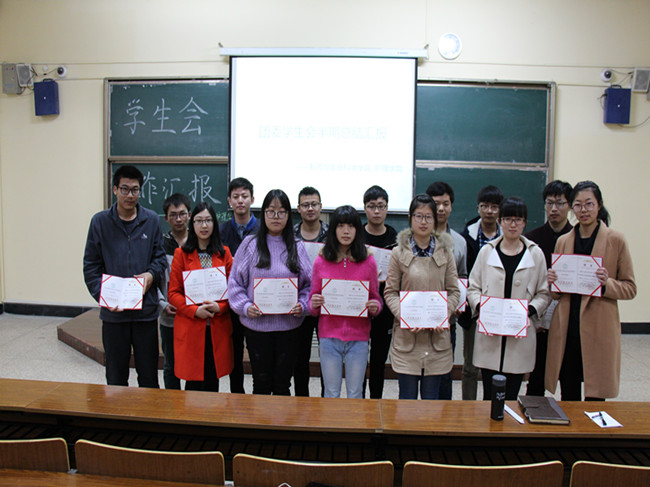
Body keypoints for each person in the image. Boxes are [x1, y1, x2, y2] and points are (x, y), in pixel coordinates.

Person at [546, 181, 636, 401]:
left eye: (589, 204)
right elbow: (556, 294)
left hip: (598, 326)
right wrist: (553, 283)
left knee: (596, 394)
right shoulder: (563, 241)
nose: (583, 210)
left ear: (599, 205)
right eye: (578, 205)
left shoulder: (616, 240)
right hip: (568, 326)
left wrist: (607, 284)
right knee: (569, 392)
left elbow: (630, 288)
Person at [83, 164, 167, 388]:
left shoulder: (151, 220)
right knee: (116, 378)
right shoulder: (100, 222)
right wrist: (103, 296)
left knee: (148, 377)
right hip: (114, 315)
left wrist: (150, 275)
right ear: (115, 190)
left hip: (145, 313)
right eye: (125, 189)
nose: (130, 195)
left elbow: (159, 259)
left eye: (135, 190)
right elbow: (91, 266)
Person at [228, 189, 312, 395]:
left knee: (283, 384)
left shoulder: (297, 246)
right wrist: (246, 307)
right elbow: (235, 283)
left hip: (289, 327)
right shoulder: (249, 244)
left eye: (281, 212)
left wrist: (303, 305)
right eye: (271, 211)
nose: (276, 217)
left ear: (288, 215)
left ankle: (282, 418)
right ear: (263, 214)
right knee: (261, 383)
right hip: (257, 327)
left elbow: (309, 286)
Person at [467, 197, 550, 401]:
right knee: (489, 396)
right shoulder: (487, 251)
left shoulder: (535, 254)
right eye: (508, 219)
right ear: (500, 221)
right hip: (490, 333)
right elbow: (473, 288)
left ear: (525, 222)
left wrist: (529, 311)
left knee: (511, 396)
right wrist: (482, 307)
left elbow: (544, 293)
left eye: (518, 219)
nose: (513, 224)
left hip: (519, 334)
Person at [384, 194, 460, 400]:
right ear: (410, 218)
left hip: (437, 340)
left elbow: (454, 291)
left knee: (431, 400)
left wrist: (443, 315)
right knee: (407, 399)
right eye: (418, 216)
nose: (423, 222)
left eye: (428, 217)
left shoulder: (446, 252)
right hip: (407, 338)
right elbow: (390, 292)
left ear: (435, 220)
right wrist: (405, 316)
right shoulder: (398, 253)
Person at [309, 206, 382, 399]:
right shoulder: (321, 260)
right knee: (331, 392)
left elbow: (375, 298)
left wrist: (375, 307)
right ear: (333, 229)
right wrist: (314, 303)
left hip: (358, 338)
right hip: (328, 337)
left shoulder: (368, 261)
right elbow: (312, 301)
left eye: (351, 226)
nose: (346, 231)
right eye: (340, 226)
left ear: (358, 230)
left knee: (355, 393)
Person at [168, 203, 234, 391]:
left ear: (214, 223)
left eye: (208, 220)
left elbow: (233, 290)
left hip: (217, 325)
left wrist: (220, 307)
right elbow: (173, 293)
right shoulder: (181, 254)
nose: (204, 226)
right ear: (192, 223)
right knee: (193, 381)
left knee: (213, 380)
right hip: (192, 325)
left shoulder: (224, 253)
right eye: (199, 221)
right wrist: (195, 310)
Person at [523, 180, 573, 396]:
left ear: (569, 206)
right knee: (537, 374)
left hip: (567, 314)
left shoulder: (577, 238)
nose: (554, 208)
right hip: (539, 314)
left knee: (569, 374)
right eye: (549, 203)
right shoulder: (531, 239)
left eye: (560, 203)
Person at [458, 185, 503, 400]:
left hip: (500, 307)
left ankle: (490, 405)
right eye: (485, 206)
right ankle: (468, 408)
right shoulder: (466, 236)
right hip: (473, 307)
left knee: (494, 364)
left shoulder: (508, 236)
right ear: (478, 208)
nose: (489, 211)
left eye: (494, 207)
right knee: (470, 365)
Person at [426, 181, 468, 400]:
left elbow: (462, 277)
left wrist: (459, 303)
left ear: (451, 206)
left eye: (446, 203)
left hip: (446, 320)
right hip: (417, 319)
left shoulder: (460, 242)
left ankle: (443, 415)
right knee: (418, 372)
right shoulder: (416, 238)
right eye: (436, 204)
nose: (441, 208)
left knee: (444, 374)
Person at [219, 177, 259, 394]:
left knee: (256, 351)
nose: (240, 200)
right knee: (234, 350)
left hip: (256, 302)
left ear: (252, 199)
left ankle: (257, 393)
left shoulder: (263, 230)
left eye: (244, 196)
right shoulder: (221, 231)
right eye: (236, 197)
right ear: (229, 201)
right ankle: (237, 393)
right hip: (230, 301)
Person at [362, 185, 398, 399]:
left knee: (378, 361)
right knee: (358, 360)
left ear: (387, 208)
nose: (376, 211)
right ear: (365, 208)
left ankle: (376, 402)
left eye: (381, 206)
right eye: (371, 206)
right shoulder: (357, 236)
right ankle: (359, 401)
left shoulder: (395, 237)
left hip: (385, 308)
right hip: (359, 305)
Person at [292, 186, 329, 397]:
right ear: (298, 208)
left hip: (326, 302)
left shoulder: (331, 234)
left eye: (314, 204)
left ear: (321, 206)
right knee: (300, 356)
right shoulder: (291, 235)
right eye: (305, 205)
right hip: (300, 302)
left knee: (327, 355)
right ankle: (301, 399)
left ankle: (325, 399)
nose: (310, 208)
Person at [157, 193, 191, 390]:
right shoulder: (159, 244)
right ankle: (172, 402)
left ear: (189, 215)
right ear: (166, 218)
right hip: (169, 314)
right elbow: (154, 278)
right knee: (171, 364)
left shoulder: (198, 241)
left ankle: (192, 400)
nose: (178, 219)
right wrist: (162, 304)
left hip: (194, 314)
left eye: (182, 214)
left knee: (193, 360)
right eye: (173, 215)